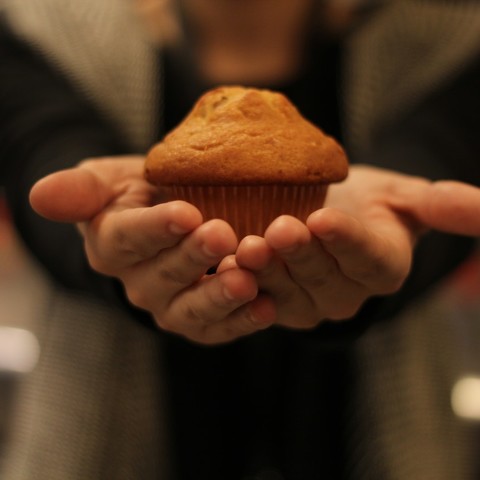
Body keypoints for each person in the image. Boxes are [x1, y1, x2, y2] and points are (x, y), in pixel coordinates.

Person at [1, 0, 480, 478]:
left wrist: (388, 254)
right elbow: (42, 153)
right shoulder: (41, 25)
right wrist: (106, 244)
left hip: (370, 425)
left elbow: (442, 153)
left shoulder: (450, 39)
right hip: (106, 422)